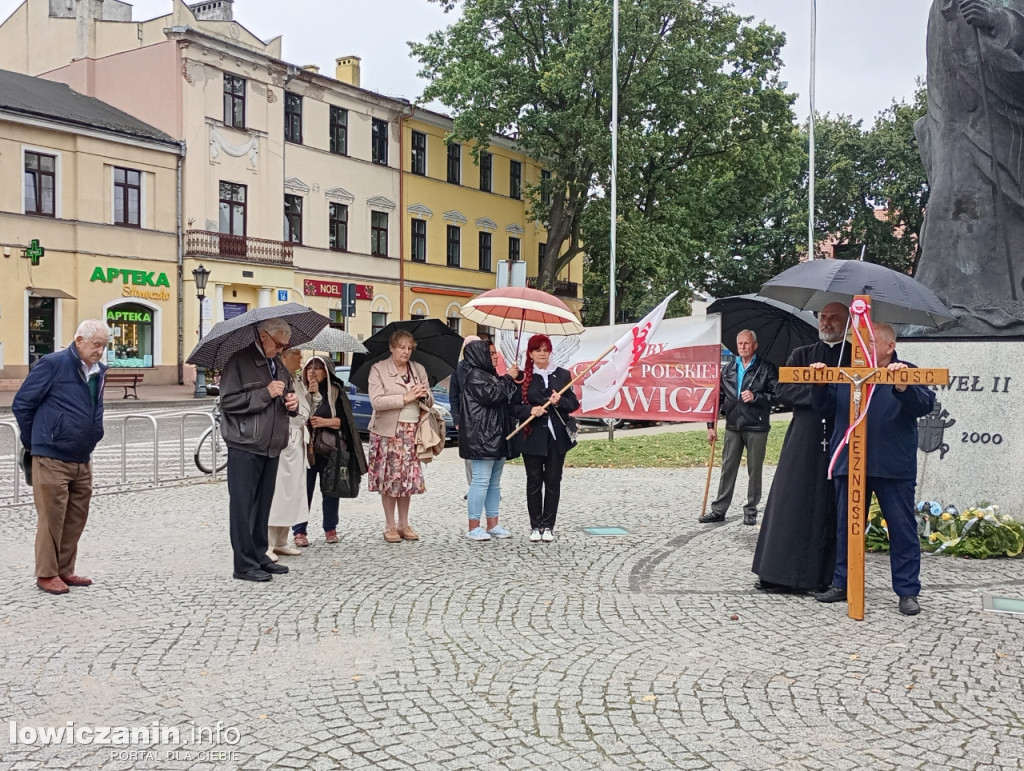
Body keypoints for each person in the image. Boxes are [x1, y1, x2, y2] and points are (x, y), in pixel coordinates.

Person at [914, 0, 1024, 332]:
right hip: (953, 125)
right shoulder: (940, 7)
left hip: (999, 127)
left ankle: (996, 306)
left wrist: (998, 20)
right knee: (950, 207)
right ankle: (940, 304)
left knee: (988, 213)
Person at [812, 324, 935, 616]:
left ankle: (907, 591)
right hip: (850, 463)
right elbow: (825, 408)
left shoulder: (905, 370)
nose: (861, 346)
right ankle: (843, 582)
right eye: (858, 341)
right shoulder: (845, 371)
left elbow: (924, 405)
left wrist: (903, 387)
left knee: (902, 529)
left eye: (869, 341)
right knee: (847, 526)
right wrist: (818, 383)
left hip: (892, 465)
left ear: (889, 347)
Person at [752, 303, 851, 593]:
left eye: (834, 318)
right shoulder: (803, 355)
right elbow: (783, 390)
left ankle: (827, 576)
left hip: (839, 435)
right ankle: (778, 573)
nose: (827, 322)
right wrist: (815, 388)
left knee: (830, 504)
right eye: (823, 317)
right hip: (804, 435)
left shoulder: (854, 358)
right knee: (790, 500)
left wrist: (829, 390)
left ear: (846, 323)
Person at [12, 319, 109, 595]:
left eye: (104, 346)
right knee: (51, 517)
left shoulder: (98, 371)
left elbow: (94, 406)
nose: (100, 351)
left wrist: (95, 433)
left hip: (82, 455)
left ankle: (65, 569)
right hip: (51, 455)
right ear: (79, 341)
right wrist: (37, 441)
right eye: (96, 345)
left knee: (76, 517)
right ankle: (47, 573)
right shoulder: (53, 364)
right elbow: (22, 404)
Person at [219, 318, 298, 582]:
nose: (281, 349)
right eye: (278, 344)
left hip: (272, 443)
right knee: (243, 506)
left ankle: (259, 554)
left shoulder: (277, 364)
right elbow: (228, 402)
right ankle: (243, 563)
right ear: (263, 336)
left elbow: (287, 395)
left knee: (263, 506)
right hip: (245, 443)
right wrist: (265, 393)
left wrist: (292, 402)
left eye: (285, 345)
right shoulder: (239, 361)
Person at [700, 329, 778, 525]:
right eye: (740, 343)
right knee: (727, 468)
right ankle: (719, 509)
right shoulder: (728, 369)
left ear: (755, 345)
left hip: (756, 425)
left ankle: (751, 510)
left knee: (754, 470)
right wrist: (710, 425)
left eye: (746, 343)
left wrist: (757, 397)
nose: (742, 347)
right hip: (733, 425)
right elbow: (717, 397)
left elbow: (778, 396)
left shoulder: (766, 368)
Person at [510, 334, 580, 542]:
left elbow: (573, 404)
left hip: (556, 438)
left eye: (545, 350)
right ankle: (535, 525)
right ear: (530, 354)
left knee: (553, 481)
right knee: (533, 481)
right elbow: (513, 407)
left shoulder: (563, 375)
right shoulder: (522, 377)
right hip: (531, 437)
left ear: (550, 352)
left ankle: (548, 525)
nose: (542, 354)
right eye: (537, 350)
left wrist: (559, 402)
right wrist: (531, 410)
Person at [367, 329, 433, 543]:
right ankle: (390, 525)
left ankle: (405, 524)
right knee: (389, 479)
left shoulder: (418, 369)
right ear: (391, 348)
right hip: (388, 433)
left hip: (413, 431)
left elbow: (430, 400)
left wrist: (425, 395)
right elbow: (377, 401)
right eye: (401, 347)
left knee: (408, 480)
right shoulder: (378, 369)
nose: (406, 352)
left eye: (409, 348)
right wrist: (405, 397)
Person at [293, 355, 367, 546]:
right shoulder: (300, 390)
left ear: (326, 372)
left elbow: (345, 422)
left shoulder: (335, 392)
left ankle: (330, 528)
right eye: (309, 367)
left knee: (331, 490)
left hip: (329, 449)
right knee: (303, 491)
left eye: (317, 368)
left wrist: (325, 422)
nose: (312, 372)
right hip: (305, 449)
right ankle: (299, 531)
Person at [458, 340, 519, 541]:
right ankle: (473, 525)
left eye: (495, 352)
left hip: (497, 436)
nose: (495, 356)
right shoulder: (474, 376)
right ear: (479, 355)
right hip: (482, 437)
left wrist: (511, 379)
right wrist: (508, 378)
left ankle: (493, 524)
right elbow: (492, 396)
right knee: (480, 481)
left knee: (494, 484)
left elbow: (504, 395)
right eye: (491, 353)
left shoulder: (490, 375)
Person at [265, 347, 307, 561]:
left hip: (298, 438)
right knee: (279, 492)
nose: (301, 357)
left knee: (293, 493)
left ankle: (282, 540)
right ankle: (269, 543)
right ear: (285, 357)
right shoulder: (277, 377)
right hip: (286, 435)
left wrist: (314, 394)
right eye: (297, 353)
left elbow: (306, 408)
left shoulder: (295, 379)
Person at [449, 334, 481, 499]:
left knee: (486, 455)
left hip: (484, 419)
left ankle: (486, 487)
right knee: (469, 456)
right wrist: (456, 418)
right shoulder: (458, 369)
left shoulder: (486, 367)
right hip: (465, 419)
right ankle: (472, 487)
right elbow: (453, 396)